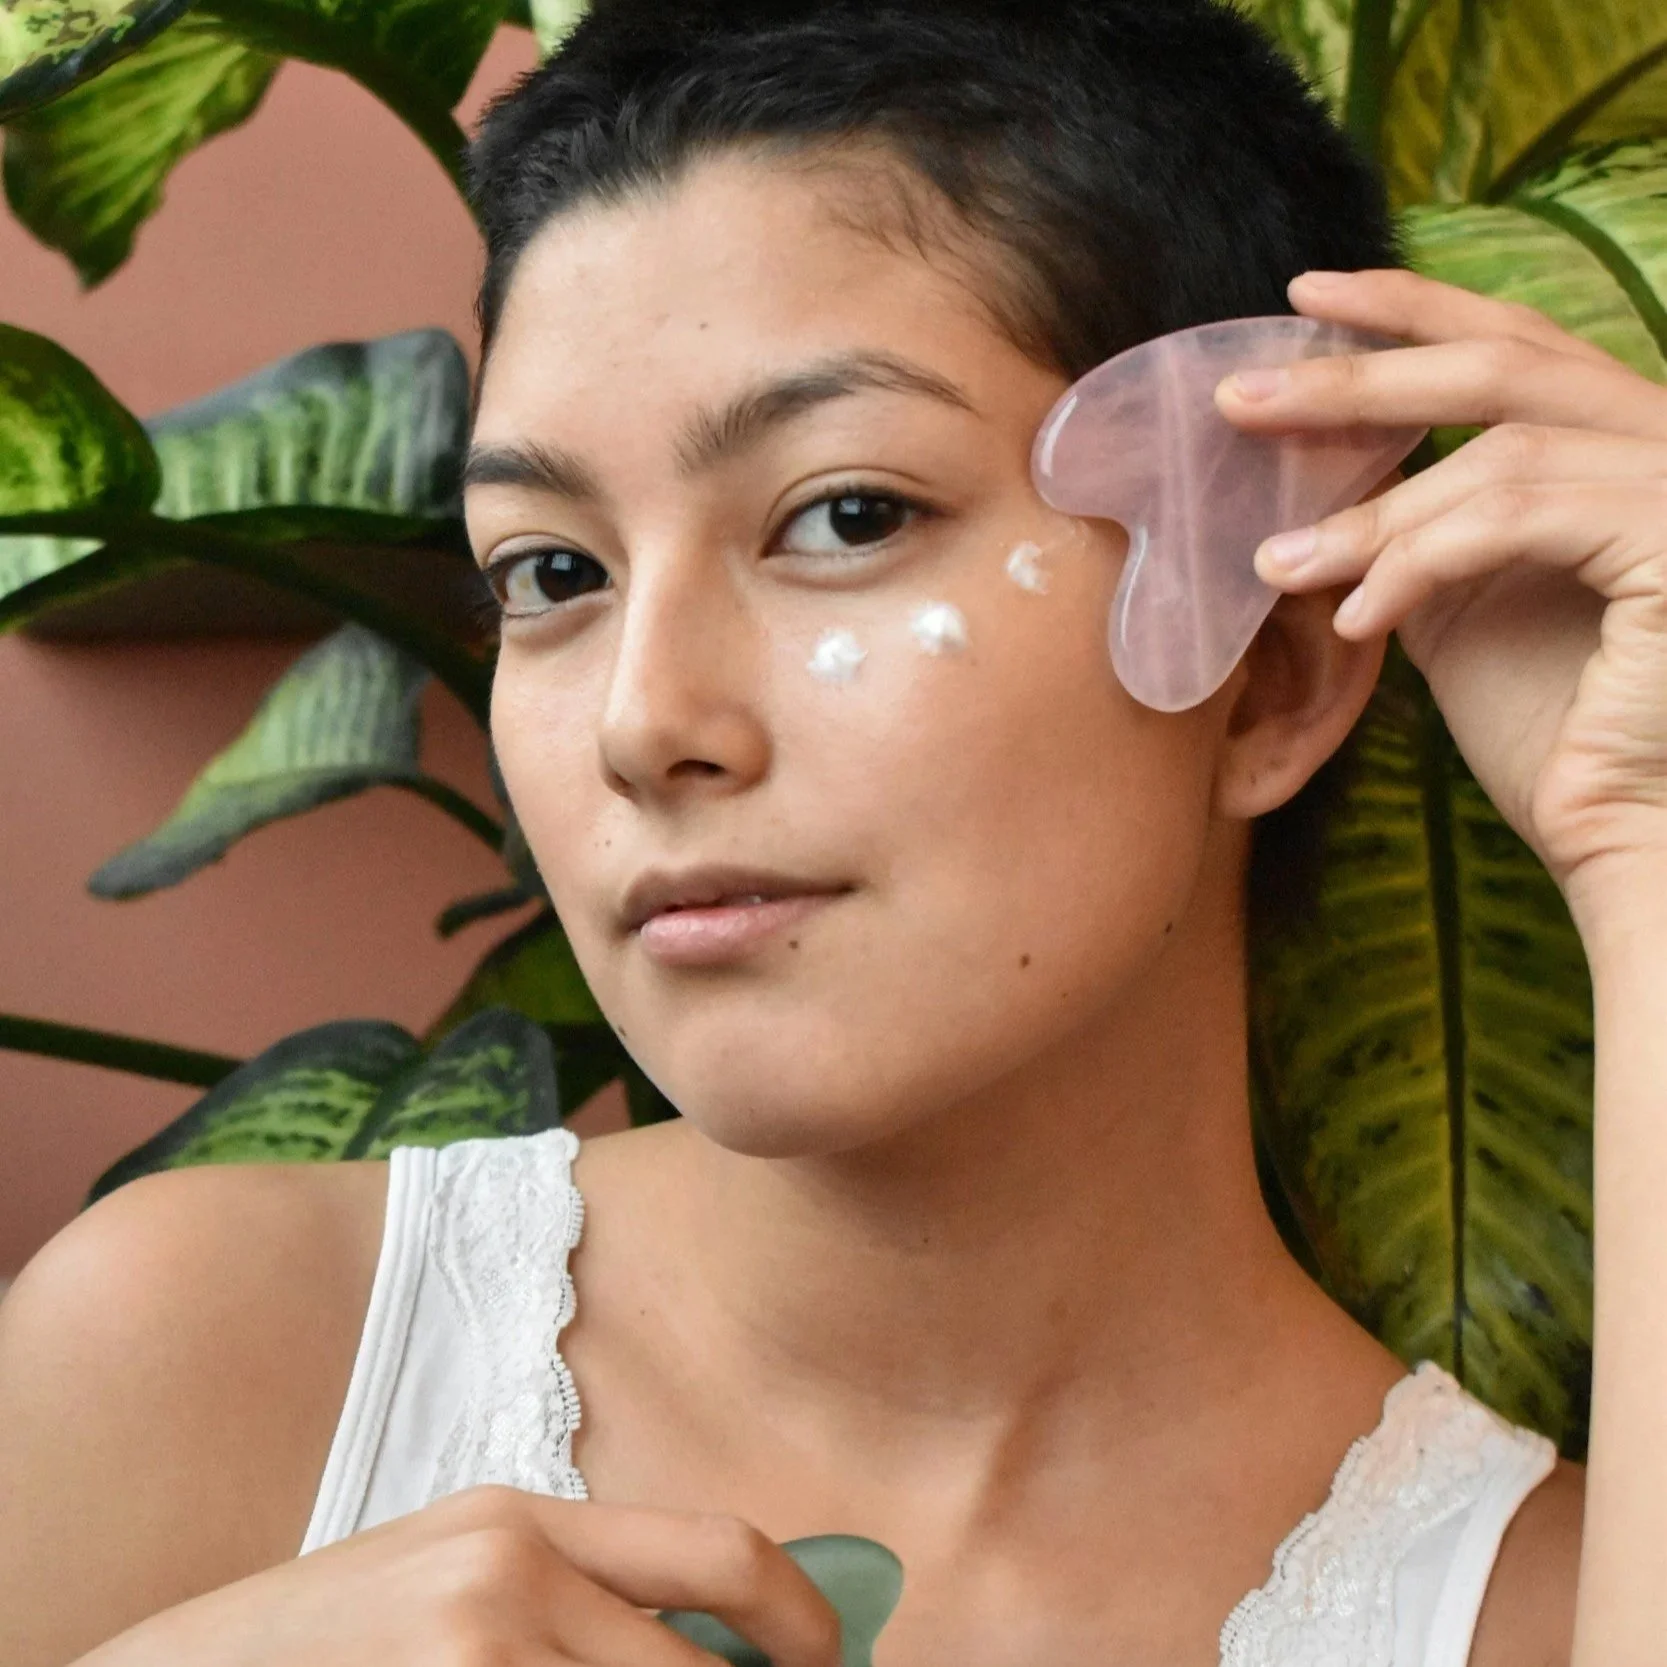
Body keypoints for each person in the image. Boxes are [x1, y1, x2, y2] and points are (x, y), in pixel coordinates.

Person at [4, 1, 1665, 1664]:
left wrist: (1643, 833)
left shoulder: (1551, 1614)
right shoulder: (206, 1362)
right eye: (551, 571)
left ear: (1268, 675)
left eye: (846, 515)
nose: (642, 722)